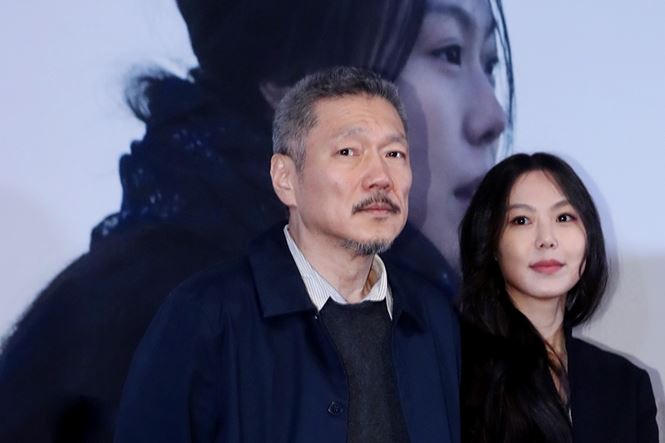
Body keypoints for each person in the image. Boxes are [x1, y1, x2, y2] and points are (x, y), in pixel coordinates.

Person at [0, 0, 511, 441]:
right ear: (294, 78)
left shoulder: (422, 322)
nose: (492, 116)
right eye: (448, 53)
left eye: (489, 63)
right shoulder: (159, 326)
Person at [113, 66, 461, 443]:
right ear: (285, 179)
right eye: (348, 151)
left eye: (394, 153)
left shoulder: (434, 315)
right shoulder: (207, 315)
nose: (381, 177)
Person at [458, 152, 658, 443]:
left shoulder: (626, 384)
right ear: (491, 244)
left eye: (564, 217)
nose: (547, 239)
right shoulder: (456, 368)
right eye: (521, 220)